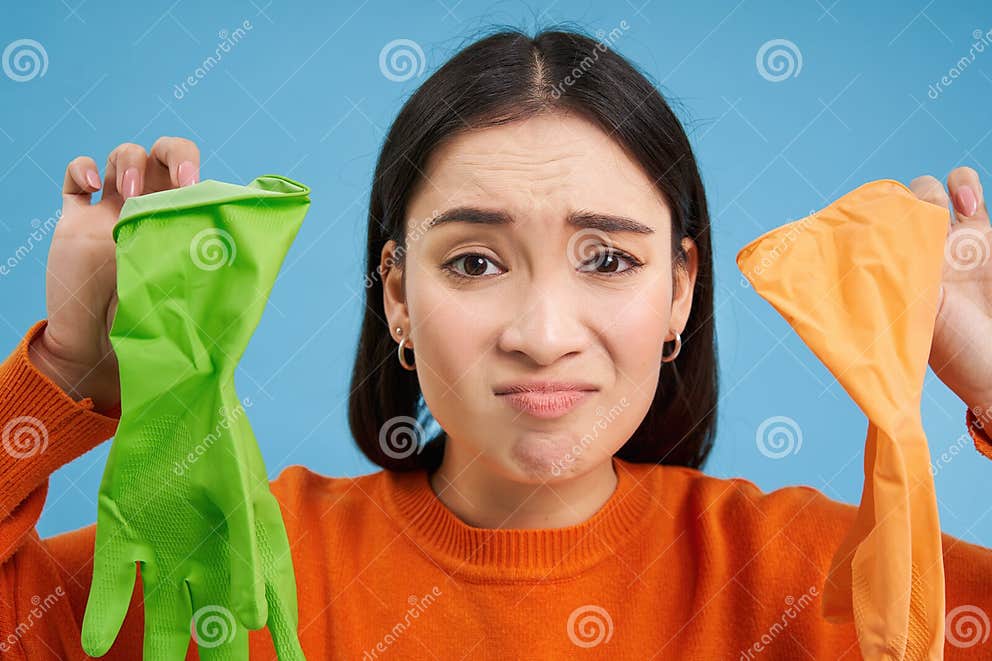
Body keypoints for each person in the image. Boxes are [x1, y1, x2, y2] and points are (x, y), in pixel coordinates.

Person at [2, 27, 991, 660]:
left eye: (606, 259)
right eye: (474, 262)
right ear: (395, 294)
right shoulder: (235, 566)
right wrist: (69, 369)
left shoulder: (811, 577)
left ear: (680, 290)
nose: (542, 334)